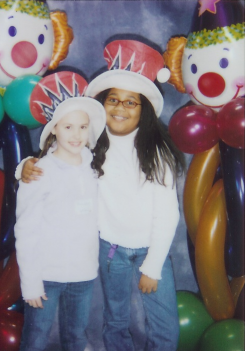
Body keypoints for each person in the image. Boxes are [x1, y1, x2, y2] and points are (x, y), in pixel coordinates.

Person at [18, 38, 186, 351]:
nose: (120, 108)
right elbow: (56, 157)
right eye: (113, 100)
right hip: (111, 251)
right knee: (116, 320)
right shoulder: (92, 140)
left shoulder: (156, 150)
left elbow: (167, 213)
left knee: (164, 328)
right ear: (102, 104)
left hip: (152, 250)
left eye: (130, 102)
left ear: (144, 109)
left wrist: (152, 266)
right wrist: (25, 166)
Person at [14, 95, 106, 351]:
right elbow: (26, 230)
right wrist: (30, 282)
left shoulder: (94, 168)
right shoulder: (40, 172)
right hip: (46, 275)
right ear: (54, 128)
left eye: (83, 127)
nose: (76, 134)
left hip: (83, 273)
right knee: (36, 338)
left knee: (76, 337)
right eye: (68, 126)